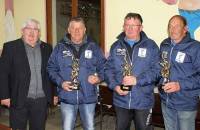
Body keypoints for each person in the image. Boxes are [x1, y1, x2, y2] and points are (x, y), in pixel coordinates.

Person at [47, 16, 106, 130]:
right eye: (73, 28)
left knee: (89, 127)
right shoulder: (59, 48)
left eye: (80, 28)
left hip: (88, 97)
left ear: (84, 30)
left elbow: (104, 67)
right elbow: (50, 68)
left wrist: (98, 78)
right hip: (67, 96)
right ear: (68, 30)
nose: (77, 31)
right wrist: (61, 83)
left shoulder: (94, 47)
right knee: (67, 128)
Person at [105, 12, 160, 130]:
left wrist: (137, 80)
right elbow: (108, 69)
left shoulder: (151, 46)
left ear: (141, 27)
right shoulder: (116, 46)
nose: (129, 29)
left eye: (133, 25)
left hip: (143, 101)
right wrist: (115, 86)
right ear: (123, 26)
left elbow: (157, 70)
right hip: (121, 100)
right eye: (127, 25)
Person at [0, 18, 57, 130]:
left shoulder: (47, 48)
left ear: (39, 33)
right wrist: (4, 96)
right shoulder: (10, 47)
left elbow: (52, 72)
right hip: (18, 98)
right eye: (28, 29)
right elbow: (3, 73)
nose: (31, 32)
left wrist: (54, 93)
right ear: (22, 31)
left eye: (35, 29)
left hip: (41, 99)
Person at [158, 15, 200, 130]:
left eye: (177, 26)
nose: (173, 29)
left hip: (185, 103)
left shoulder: (196, 47)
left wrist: (179, 85)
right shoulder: (164, 45)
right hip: (166, 101)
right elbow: (160, 68)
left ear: (185, 28)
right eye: (170, 26)